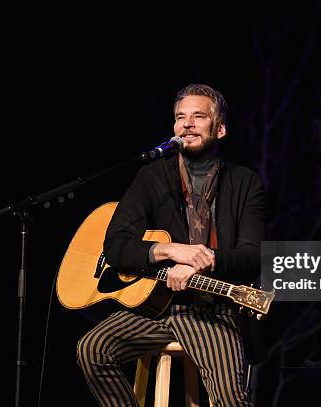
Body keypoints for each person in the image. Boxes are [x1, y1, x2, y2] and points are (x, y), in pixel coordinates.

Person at [77, 84, 266, 406]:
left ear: (219, 129)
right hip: (154, 309)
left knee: (232, 400)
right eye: (180, 117)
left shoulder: (244, 182)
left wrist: (202, 261)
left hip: (210, 311)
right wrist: (164, 251)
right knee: (92, 349)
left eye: (198, 116)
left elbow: (253, 257)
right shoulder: (152, 176)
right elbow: (117, 245)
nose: (187, 124)